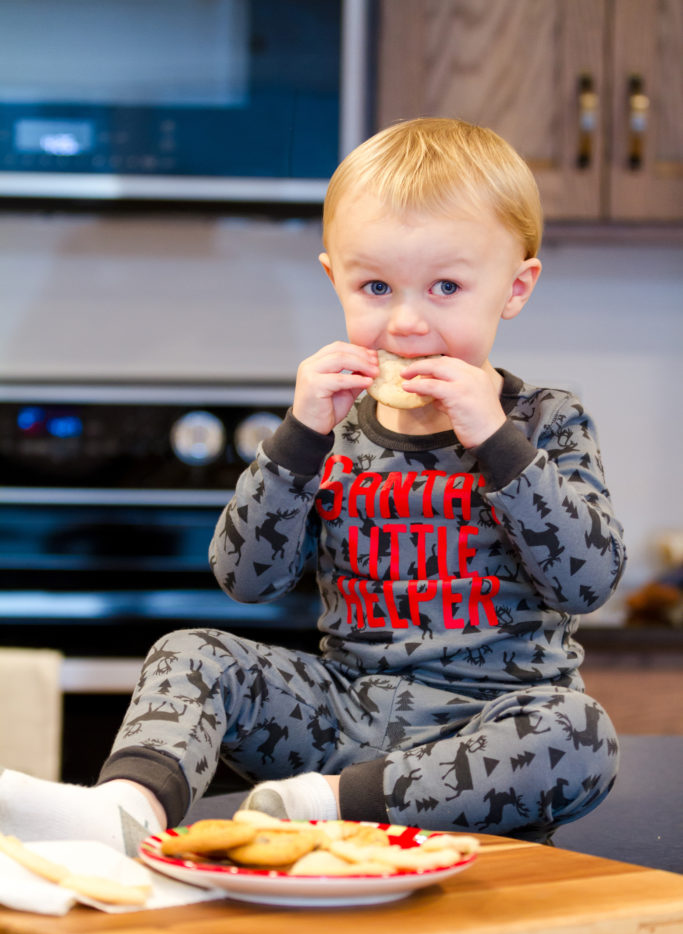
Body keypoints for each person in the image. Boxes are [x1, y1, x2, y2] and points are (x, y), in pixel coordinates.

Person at [0, 118, 626, 855]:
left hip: (491, 737)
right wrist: (297, 438)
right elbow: (246, 580)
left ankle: (320, 806)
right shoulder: (331, 430)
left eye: (447, 287)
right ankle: (123, 812)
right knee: (189, 650)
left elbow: (585, 582)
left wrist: (495, 440)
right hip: (344, 712)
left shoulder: (545, 420)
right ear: (335, 280)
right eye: (375, 286)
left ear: (514, 288)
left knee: (582, 733)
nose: (405, 321)